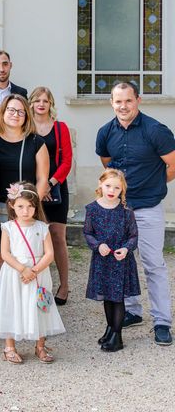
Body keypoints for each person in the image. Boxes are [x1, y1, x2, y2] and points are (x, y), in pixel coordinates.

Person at [96, 81, 175, 346]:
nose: (123, 106)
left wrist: (152, 185)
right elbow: (109, 169)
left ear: (138, 100)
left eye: (128, 100)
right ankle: (132, 311)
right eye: (118, 101)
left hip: (149, 208)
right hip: (119, 211)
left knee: (154, 265)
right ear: (111, 103)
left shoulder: (156, 131)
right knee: (121, 263)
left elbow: (172, 165)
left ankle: (162, 322)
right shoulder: (105, 133)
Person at [0, 181, 65, 364]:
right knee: (13, 304)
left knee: (40, 307)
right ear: (12, 205)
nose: (25, 211)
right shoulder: (8, 227)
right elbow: (5, 253)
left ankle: (40, 346)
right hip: (15, 273)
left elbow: (49, 254)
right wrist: (22, 269)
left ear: (36, 206)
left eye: (30, 207)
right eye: (20, 206)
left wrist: (33, 271)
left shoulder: (42, 227)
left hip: (38, 273)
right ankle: (9, 346)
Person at [0, 94, 49, 276]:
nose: (16, 114)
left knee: (28, 254)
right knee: (2, 256)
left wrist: (31, 208)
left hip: (27, 209)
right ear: (3, 112)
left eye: (21, 111)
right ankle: (7, 300)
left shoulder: (36, 142)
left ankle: (28, 299)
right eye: (11, 110)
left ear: (27, 115)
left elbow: (42, 179)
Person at [84, 169, 140, 352]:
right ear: (101, 184)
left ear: (122, 190)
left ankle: (118, 335)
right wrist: (98, 245)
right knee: (107, 297)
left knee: (117, 299)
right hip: (102, 261)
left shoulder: (125, 211)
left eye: (117, 187)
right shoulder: (92, 209)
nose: (111, 190)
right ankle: (110, 328)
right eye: (108, 185)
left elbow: (133, 236)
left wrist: (126, 248)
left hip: (120, 261)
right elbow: (88, 233)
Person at [30, 86, 73, 305]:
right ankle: (40, 288)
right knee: (36, 239)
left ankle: (64, 285)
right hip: (33, 190)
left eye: (45, 101)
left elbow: (67, 161)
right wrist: (39, 187)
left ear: (51, 105)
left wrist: (50, 183)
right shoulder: (26, 128)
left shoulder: (60, 128)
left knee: (57, 237)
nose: (41, 104)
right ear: (32, 103)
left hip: (56, 188)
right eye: (37, 100)